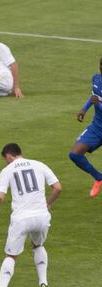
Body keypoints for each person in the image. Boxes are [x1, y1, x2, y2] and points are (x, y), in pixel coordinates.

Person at [0, 143, 61, 287]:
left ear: (9, 156)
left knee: (11, 256)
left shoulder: (8, 170)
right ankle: (43, 283)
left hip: (21, 219)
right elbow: (57, 188)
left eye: (5, 160)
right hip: (42, 217)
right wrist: (47, 204)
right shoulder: (40, 165)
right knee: (38, 245)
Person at [69, 57, 102, 198]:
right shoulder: (96, 79)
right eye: (101, 64)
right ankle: (99, 178)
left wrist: (99, 105)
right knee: (75, 154)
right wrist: (84, 109)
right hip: (97, 127)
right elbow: (94, 97)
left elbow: (98, 101)